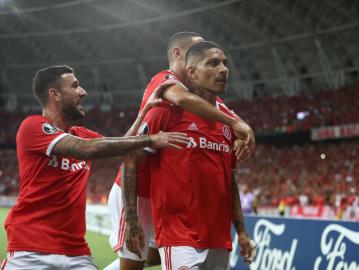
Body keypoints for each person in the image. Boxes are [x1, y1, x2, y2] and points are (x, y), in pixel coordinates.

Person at [2, 66, 189, 270]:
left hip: (76, 252)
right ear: (54, 94)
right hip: (30, 250)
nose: (83, 92)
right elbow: (86, 149)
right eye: (75, 86)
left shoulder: (80, 133)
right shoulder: (33, 126)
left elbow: (123, 144)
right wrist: (151, 139)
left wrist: (144, 112)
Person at [106, 32, 255, 270]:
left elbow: (224, 113)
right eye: (211, 61)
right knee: (133, 260)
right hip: (136, 189)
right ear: (179, 56)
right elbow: (183, 98)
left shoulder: (217, 113)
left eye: (224, 63)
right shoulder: (166, 87)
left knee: (153, 256)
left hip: (168, 201)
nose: (223, 69)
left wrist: (241, 125)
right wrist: (236, 123)